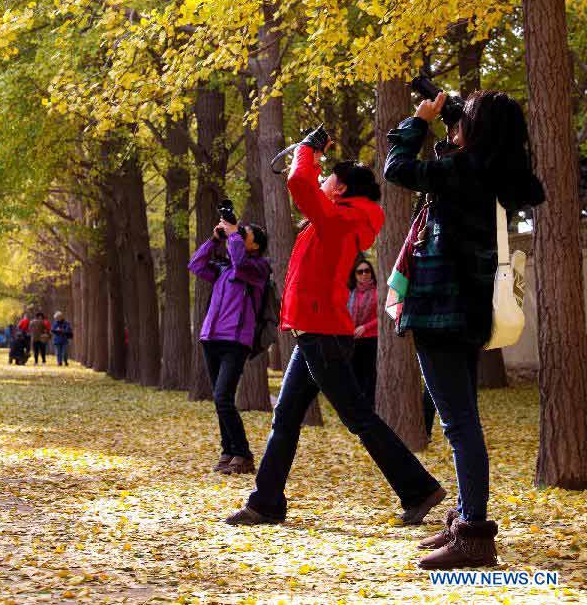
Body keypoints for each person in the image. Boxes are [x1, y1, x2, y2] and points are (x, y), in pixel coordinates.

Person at [227, 132, 445, 527]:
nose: (321, 180)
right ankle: (266, 503)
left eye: (328, 178)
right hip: (314, 330)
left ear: (341, 188)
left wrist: (307, 150)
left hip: (322, 332)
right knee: (286, 418)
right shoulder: (338, 218)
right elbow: (308, 188)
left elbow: (298, 183)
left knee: (359, 417)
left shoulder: (337, 218)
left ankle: (418, 488)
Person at [384, 90, 544, 569]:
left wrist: (418, 121)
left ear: (479, 131)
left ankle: (474, 533)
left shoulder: (462, 171)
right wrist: (455, 124)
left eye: (466, 120)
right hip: (469, 313)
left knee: (458, 423)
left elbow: (397, 168)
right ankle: (464, 519)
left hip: (441, 308)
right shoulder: (492, 171)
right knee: (462, 419)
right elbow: (451, 171)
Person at [189, 219, 270, 475]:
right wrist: (214, 240)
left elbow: (241, 264)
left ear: (255, 244)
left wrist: (234, 235)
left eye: (243, 234)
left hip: (236, 341)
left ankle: (243, 454)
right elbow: (196, 265)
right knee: (219, 398)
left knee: (223, 396)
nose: (236, 235)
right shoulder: (224, 270)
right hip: (211, 338)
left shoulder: (258, 268)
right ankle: (228, 451)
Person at [347, 256, 379, 406]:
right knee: (355, 376)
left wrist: (365, 327)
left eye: (367, 271)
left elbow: (383, 317)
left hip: (371, 339)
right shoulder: (351, 293)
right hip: (353, 340)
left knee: (370, 376)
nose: (364, 274)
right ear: (355, 275)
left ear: (372, 273)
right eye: (360, 272)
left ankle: (370, 408)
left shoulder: (377, 292)